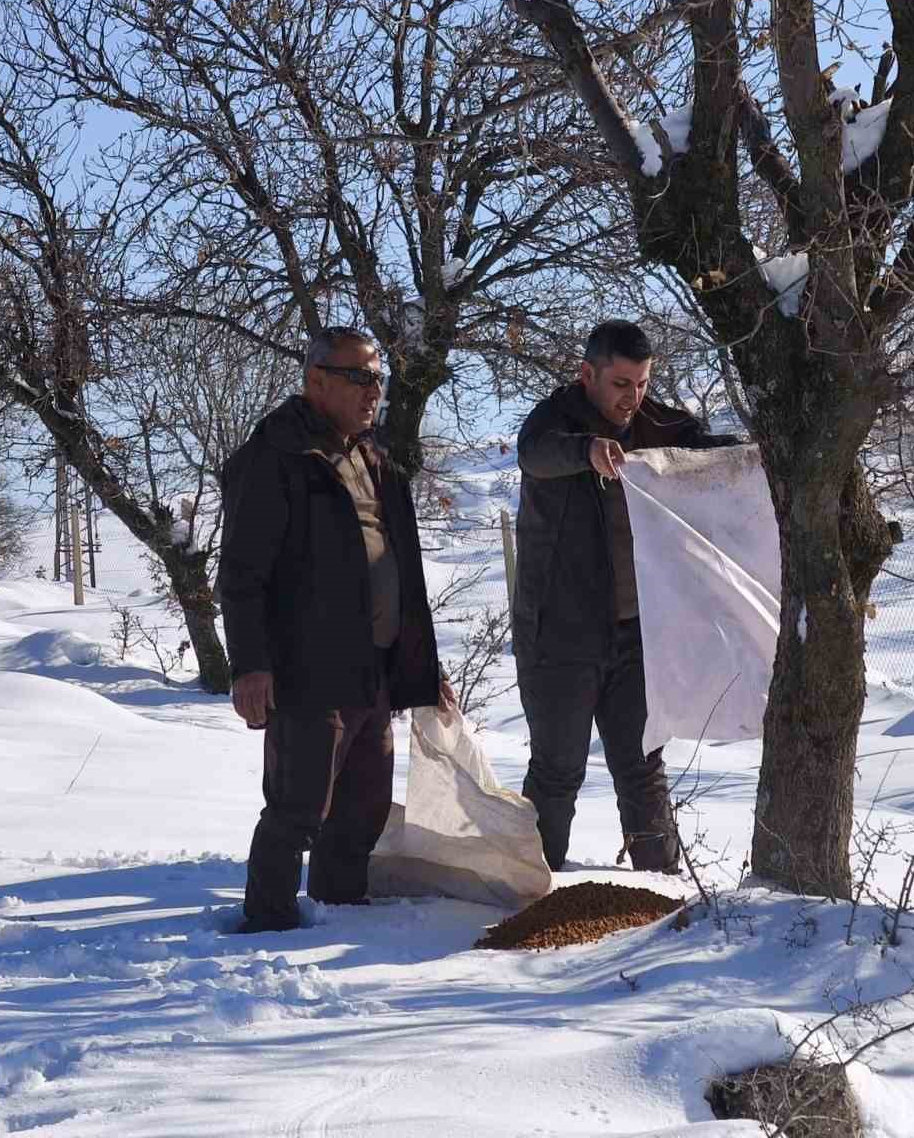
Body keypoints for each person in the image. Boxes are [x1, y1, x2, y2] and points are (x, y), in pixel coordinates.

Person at [218, 325, 456, 933]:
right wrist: (250, 665)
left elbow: (398, 567)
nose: (373, 390)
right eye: (358, 378)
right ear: (316, 381)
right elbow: (241, 574)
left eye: (377, 378)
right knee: (298, 807)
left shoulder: (371, 455)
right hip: (308, 666)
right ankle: (265, 925)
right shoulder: (276, 455)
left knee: (363, 809)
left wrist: (422, 666)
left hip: (372, 665)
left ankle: (341, 918)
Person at [513, 319, 746, 874]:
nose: (633, 397)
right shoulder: (553, 421)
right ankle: (530, 887)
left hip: (635, 635)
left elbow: (702, 451)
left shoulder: (656, 422)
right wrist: (587, 451)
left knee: (642, 765)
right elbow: (536, 454)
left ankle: (663, 888)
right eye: (621, 384)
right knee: (557, 769)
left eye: (642, 383)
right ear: (586, 374)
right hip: (558, 635)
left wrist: (750, 454)